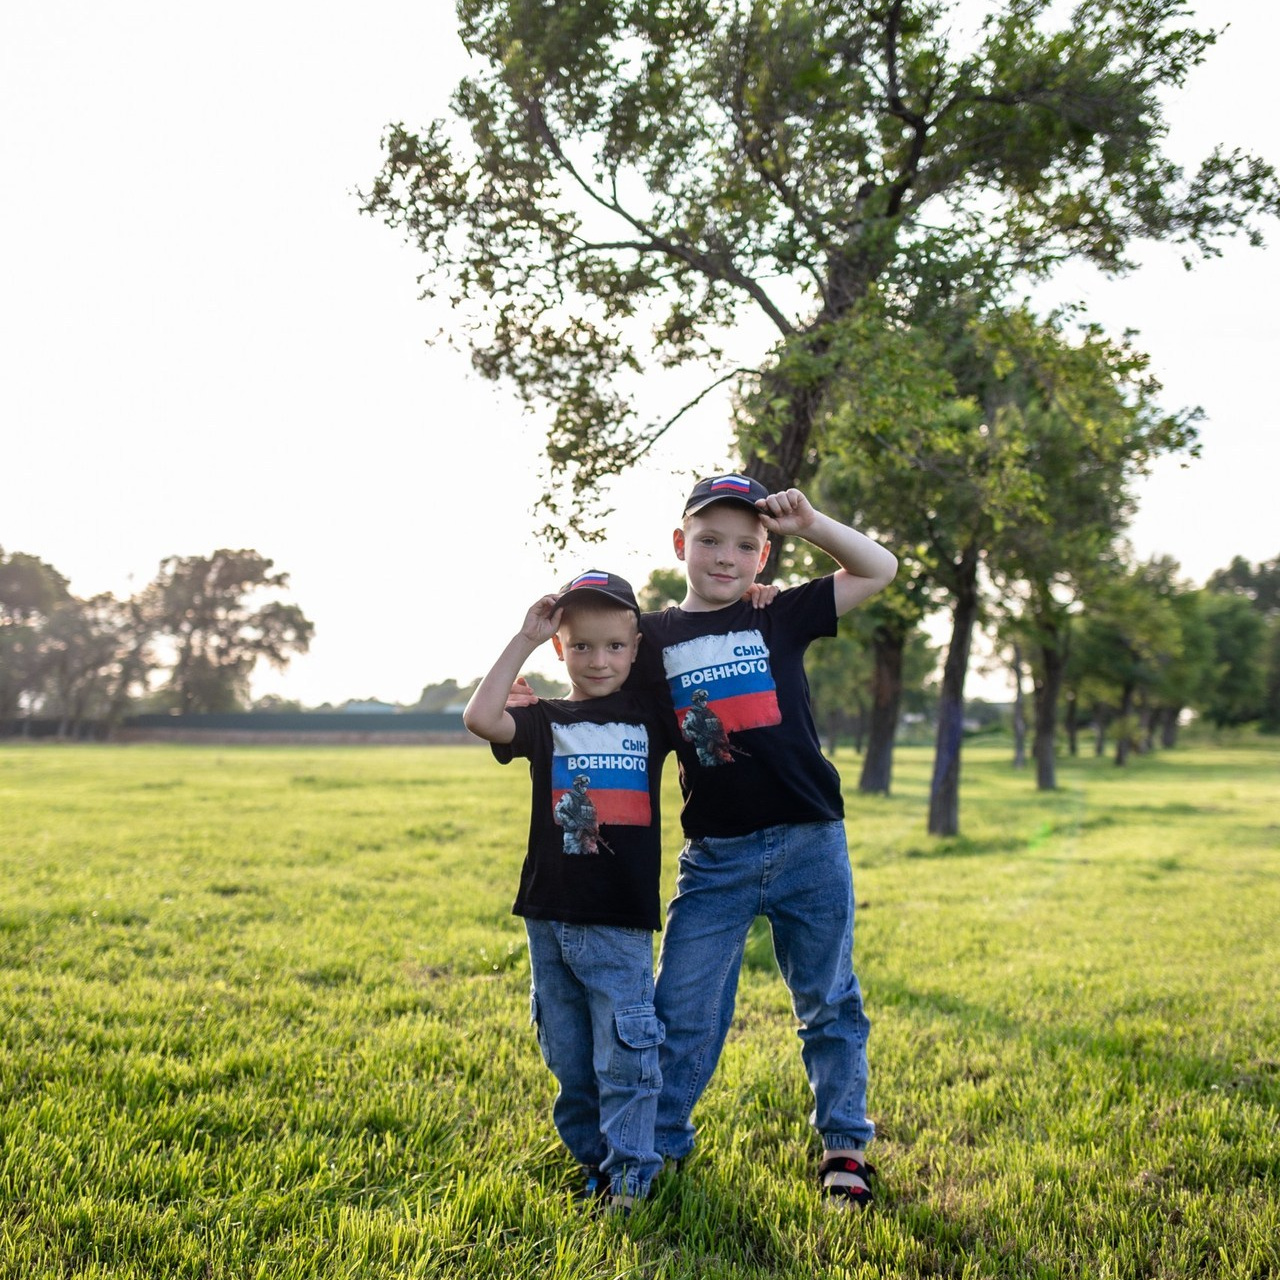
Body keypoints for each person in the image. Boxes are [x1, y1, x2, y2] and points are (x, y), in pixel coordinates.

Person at [639, 474, 897, 1209]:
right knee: (681, 1010)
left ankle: (844, 1148)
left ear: (764, 560)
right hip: (715, 858)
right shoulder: (652, 637)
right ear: (681, 544)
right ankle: (659, 1145)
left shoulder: (777, 616)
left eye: (746, 545)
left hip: (810, 840)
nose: (726, 556)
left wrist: (812, 523)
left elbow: (879, 568)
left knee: (828, 1000)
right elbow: (597, 675)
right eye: (711, 540)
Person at [462, 570, 673, 1214]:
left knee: (625, 1056)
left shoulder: (651, 716)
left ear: (636, 648)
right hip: (548, 917)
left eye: (614, 646)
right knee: (570, 1057)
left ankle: (631, 1177)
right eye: (581, 646)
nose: (598, 659)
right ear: (561, 650)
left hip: (617, 920)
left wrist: (758, 594)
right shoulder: (546, 721)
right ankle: (594, 1165)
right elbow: (479, 717)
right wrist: (525, 637)